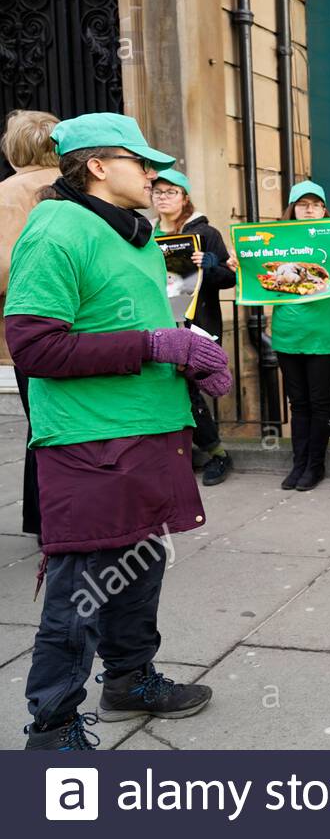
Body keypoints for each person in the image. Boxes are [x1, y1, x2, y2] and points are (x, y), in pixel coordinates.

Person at [4, 113, 224, 750]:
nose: (153, 174)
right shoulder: (55, 229)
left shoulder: (135, 236)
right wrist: (157, 345)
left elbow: (131, 326)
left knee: (141, 559)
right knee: (81, 583)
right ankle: (51, 725)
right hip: (88, 438)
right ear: (98, 166)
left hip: (148, 430)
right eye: (140, 162)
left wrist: (187, 360)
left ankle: (129, 678)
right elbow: (36, 347)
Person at [269, 180, 330, 491]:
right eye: (302, 204)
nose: (308, 209)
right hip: (286, 333)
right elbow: (258, 281)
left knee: (320, 403)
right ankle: (299, 464)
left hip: (321, 334)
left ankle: (315, 466)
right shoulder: (275, 243)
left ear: (324, 210)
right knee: (299, 403)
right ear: (292, 210)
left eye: (315, 204)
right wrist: (240, 264)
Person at [151, 167, 237, 485]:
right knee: (170, 390)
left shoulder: (206, 233)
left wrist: (211, 267)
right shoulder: (145, 232)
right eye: (158, 192)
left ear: (184, 197)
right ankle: (189, 454)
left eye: (170, 192)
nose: (163, 198)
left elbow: (230, 277)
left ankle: (216, 454)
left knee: (189, 390)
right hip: (160, 322)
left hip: (197, 324)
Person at [0, 109, 60, 543]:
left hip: (28, 325)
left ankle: (45, 521)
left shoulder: (7, 193)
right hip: (79, 323)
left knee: (41, 423)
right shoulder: (75, 186)